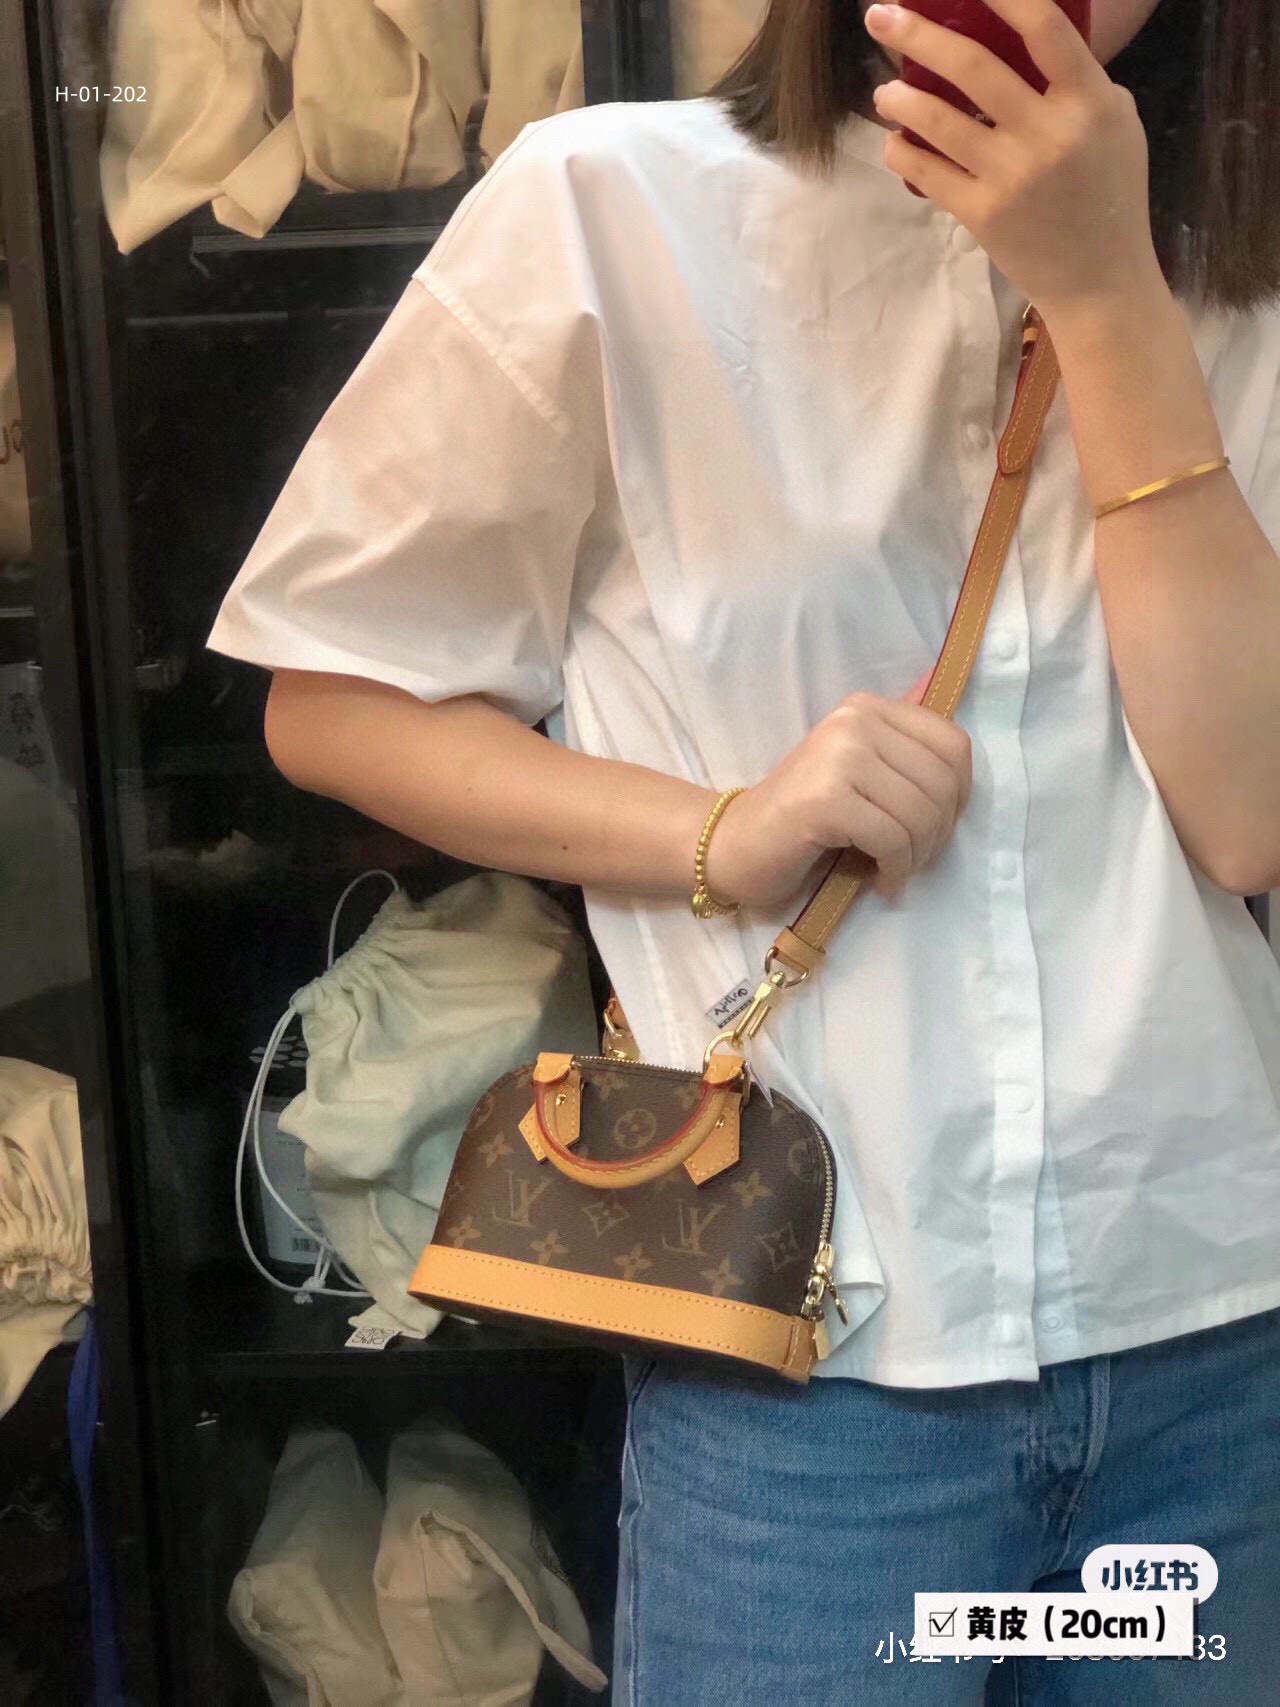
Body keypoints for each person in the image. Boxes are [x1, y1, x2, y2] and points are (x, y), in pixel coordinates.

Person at [207, 0, 1280, 1698]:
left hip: (1216, 1336)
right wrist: (720, 830)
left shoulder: (1248, 281)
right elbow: (337, 700)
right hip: (808, 1372)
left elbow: (1249, 812)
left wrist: (1106, 300)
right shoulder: (611, 210)